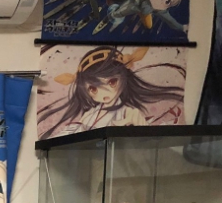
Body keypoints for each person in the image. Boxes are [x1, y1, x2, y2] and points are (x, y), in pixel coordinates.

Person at [40, 47, 185, 138]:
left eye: (112, 82)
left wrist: (136, 127)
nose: (104, 92)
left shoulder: (129, 112)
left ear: (124, 78)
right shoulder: (90, 114)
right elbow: (71, 134)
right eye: (93, 88)